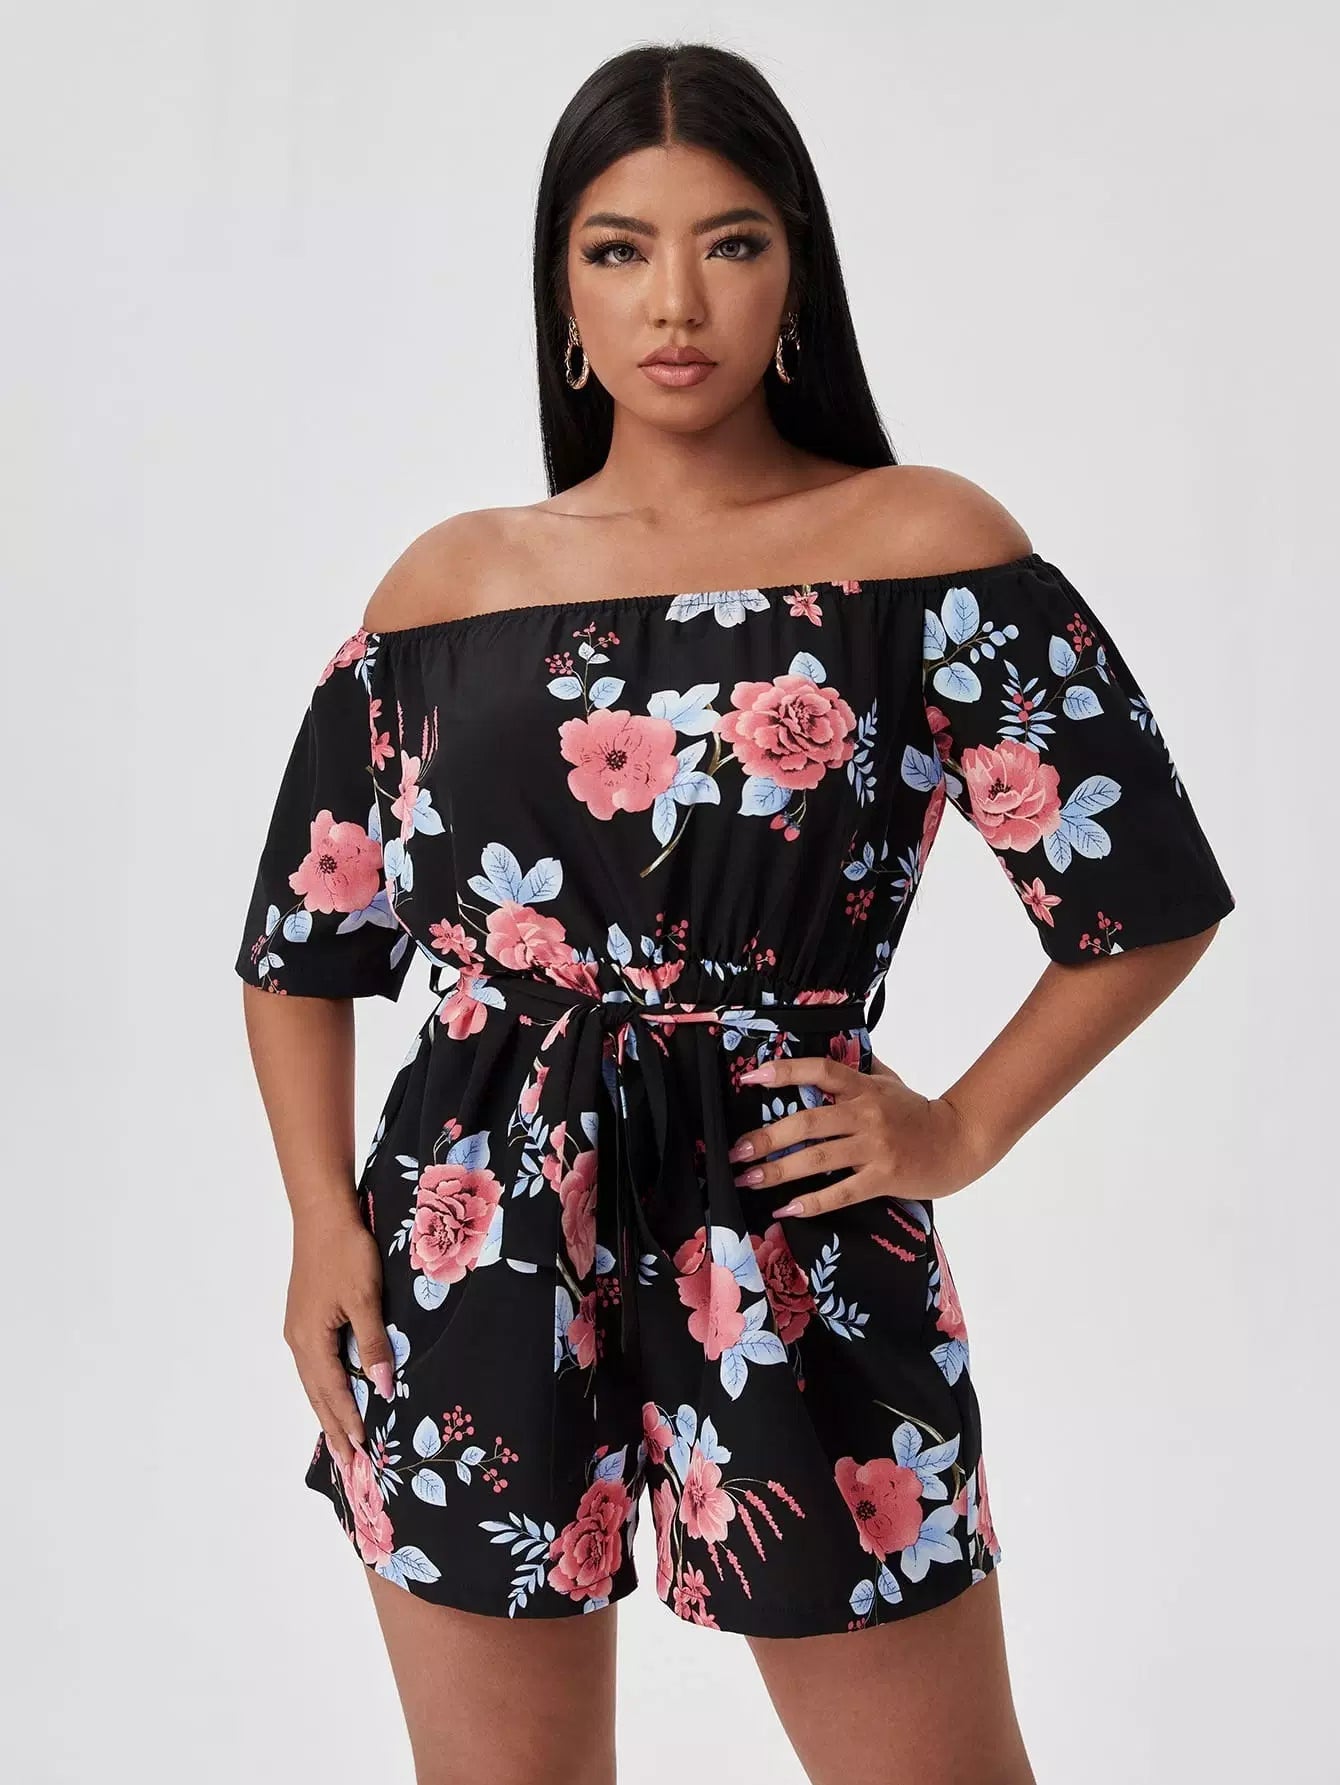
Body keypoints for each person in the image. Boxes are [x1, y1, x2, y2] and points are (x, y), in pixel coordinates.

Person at [232, 41, 1236, 1785]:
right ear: (562, 286)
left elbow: (1139, 892)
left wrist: (960, 1127)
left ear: (798, 272)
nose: (676, 301)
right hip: (474, 1232)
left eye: (733, 243)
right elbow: (302, 940)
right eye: (619, 248)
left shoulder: (919, 549)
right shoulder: (448, 588)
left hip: (789, 1219)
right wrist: (325, 1219)